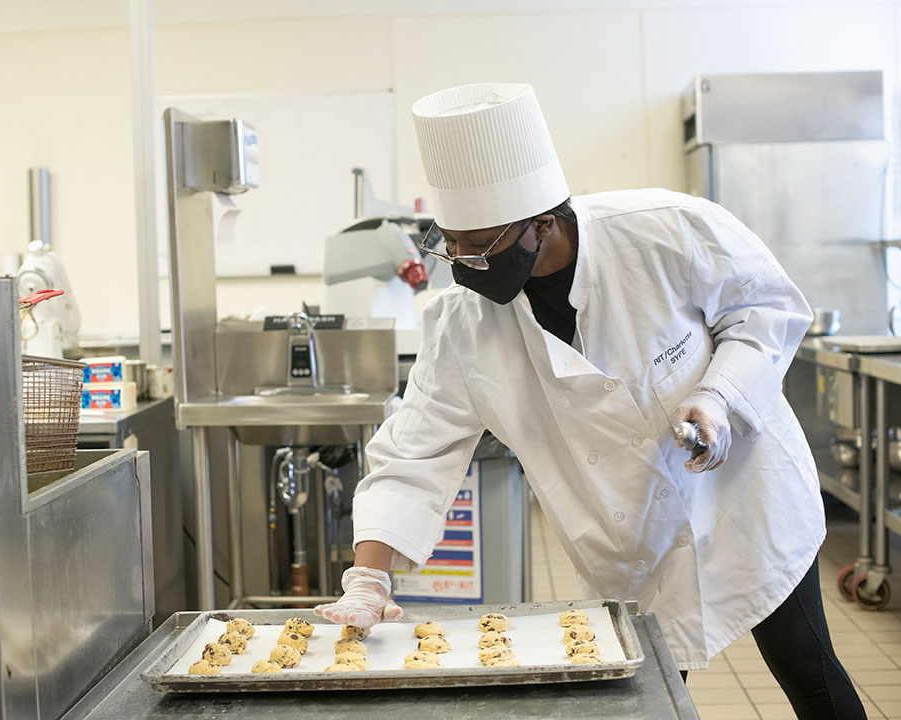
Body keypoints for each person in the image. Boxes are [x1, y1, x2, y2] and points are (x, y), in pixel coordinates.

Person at [314, 83, 864, 719]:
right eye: (451, 242)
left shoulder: (663, 231)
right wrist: (369, 578)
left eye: (480, 246)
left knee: (808, 669)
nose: (461, 263)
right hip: (627, 534)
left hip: (745, 499)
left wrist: (718, 397)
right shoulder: (462, 324)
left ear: (542, 222)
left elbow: (767, 308)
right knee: (646, 699)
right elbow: (415, 451)